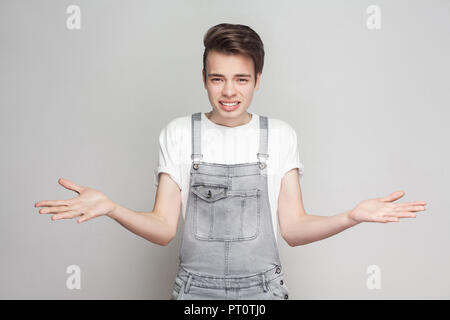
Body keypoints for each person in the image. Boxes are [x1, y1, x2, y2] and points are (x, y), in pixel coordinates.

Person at [34, 23, 427, 300]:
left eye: (241, 79)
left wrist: (350, 217)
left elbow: (293, 227)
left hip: (263, 291)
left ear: (257, 80)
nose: (228, 92)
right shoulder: (178, 133)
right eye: (217, 78)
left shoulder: (280, 136)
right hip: (194, 290)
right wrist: (112, 208)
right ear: (204, 78)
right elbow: (163, 228)